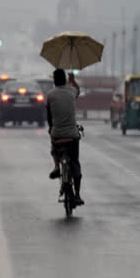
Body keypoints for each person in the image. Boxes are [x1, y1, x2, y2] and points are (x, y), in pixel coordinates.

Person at [46, 69, 83, 205]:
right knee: (75, 163)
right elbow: (78, 90)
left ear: (54, 81)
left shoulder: (50, 95)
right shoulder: (71, 92)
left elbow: (48, 115)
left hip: (57, 135)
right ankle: (77, 195)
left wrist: (51, 128)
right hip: (72, 136)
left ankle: (56, 166)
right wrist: (73, 81)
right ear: (65, 80)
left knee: (54, 146)